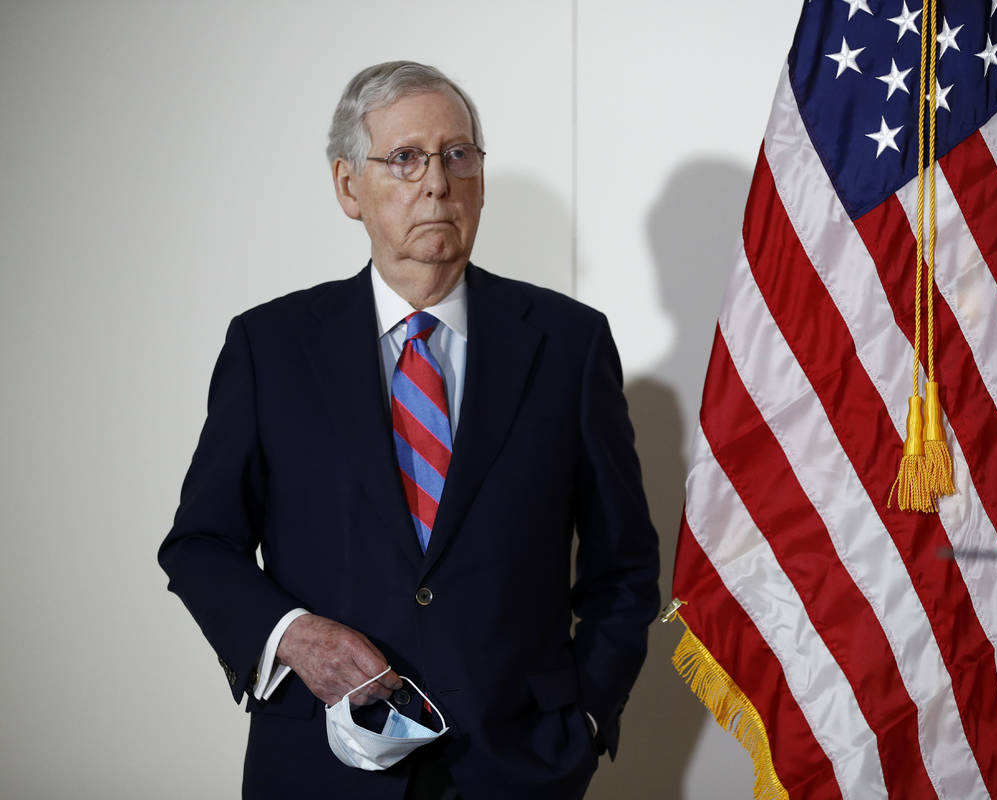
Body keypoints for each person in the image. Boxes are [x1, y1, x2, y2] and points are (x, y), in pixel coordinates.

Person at [158, 60, 660, 800]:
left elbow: (623, 569)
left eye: (458, 156)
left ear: (480, 179)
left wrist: (583, 718)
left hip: (517, 768)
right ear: (347, 187)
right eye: (406, 158)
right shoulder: (270, 346)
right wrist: (293, 635)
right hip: (320, 766)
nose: (437, 183)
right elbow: (200, 545)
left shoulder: (569, 345)